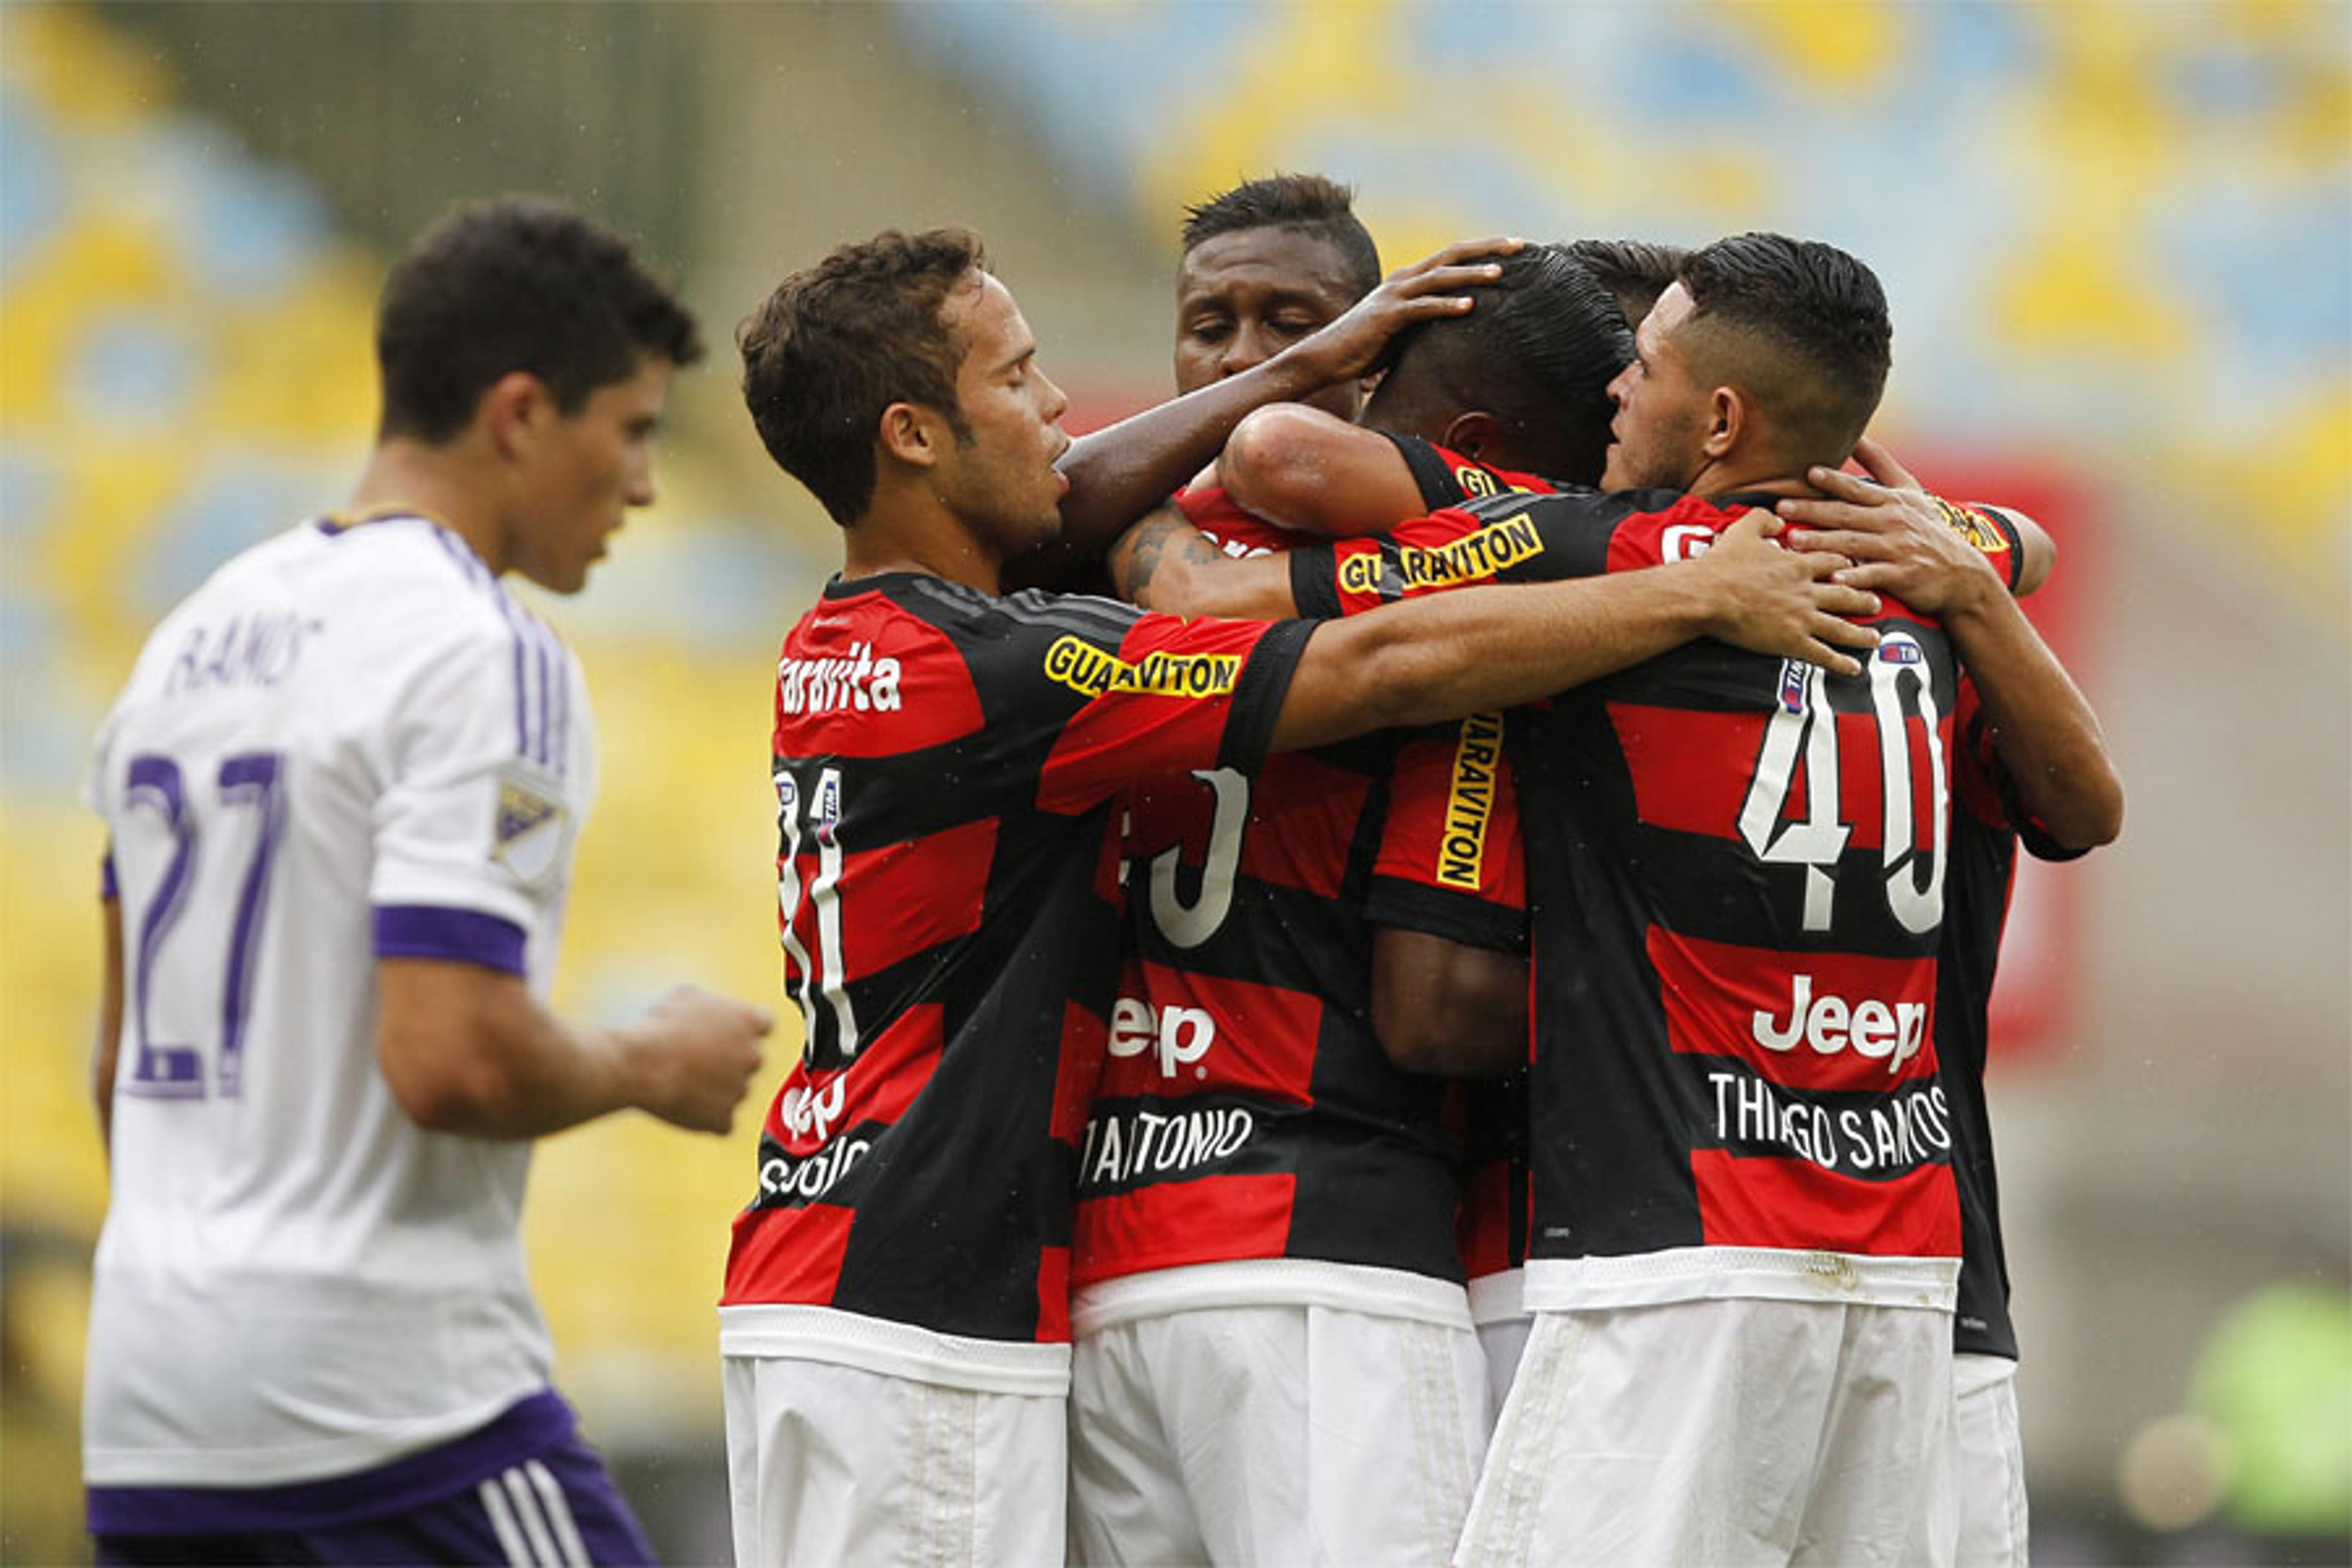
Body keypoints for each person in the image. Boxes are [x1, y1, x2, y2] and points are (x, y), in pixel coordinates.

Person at [717, 225, 1883, 1567]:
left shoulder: (868, 634)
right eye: (1022, 375)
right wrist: (1682, 586)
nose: (1061, 408)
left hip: (912, 1256)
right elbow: (1381, 681)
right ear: (916, 434)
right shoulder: (1012, 661)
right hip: (1049, 1282)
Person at [1117, 231, 2120, 1564]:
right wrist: (1976, 573)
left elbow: (1263, 511)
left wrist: (1138, 538)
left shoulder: (1594, 550)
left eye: (1637, 370)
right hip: (1908, 1261)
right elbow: (2087, 802)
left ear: (1716, 415)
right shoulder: (1921, 573)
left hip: (1675, 1250)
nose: (1611, 395)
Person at [80, 195, 774, 1565]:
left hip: (152, 1403)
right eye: (631, 429)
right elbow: (450, 1056)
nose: (644, 483)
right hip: (384, 1407)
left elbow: (116, 1068)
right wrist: (649, 1061)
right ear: (519, 413)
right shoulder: (477, 648)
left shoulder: (189, 636)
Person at [1065, 243, 1634, 1565]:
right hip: (1323, 1253)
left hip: (1106, 1248)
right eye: (1214, 323)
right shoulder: (1486, 624)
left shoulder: (1104, 562)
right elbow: (1432, 1006)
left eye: (1304, 335)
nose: (1259, 367)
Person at [1779, 447, 2123, 1565]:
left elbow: (2086, 809)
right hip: (1663, 1248)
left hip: (1920, 1273)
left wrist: (1975, 572)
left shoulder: (1931, 624)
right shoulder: (1617, 584)